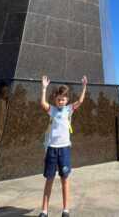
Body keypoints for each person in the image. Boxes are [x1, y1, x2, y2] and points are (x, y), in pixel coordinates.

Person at [39, 75, 87, 217]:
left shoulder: (69, 109)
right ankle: (44, 210)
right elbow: (42, 103)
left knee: (65, 180)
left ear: (67, 100)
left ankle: (65, 209)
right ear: (56, 99)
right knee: (49, 180)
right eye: (59, 99)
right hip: (52, 149)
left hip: (64, 149)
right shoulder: (52, 110)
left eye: (63, 99)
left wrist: (84, 86)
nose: (61, 101)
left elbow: (81, 101)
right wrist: (44, 88)